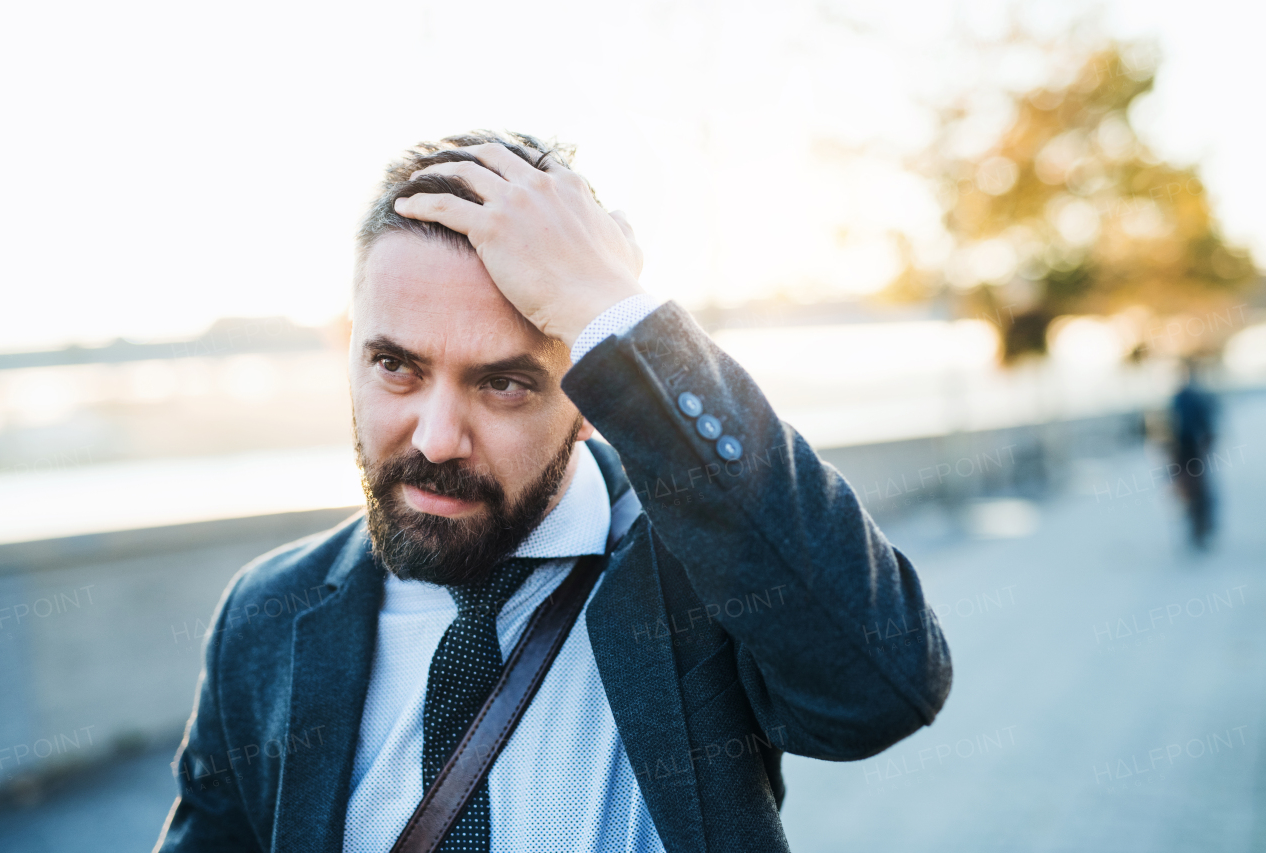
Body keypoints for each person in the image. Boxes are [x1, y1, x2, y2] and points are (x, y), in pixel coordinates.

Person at [155, 131, 952, 853]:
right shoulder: (267, 614)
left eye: (502, 383)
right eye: (395, 366)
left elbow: (881, 686)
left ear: (587, 398)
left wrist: (616, 308)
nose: (436, 437)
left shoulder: (697, 573)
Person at [1171, 361, 1218, 549]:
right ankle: (1198, 526)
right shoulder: (1181, 398)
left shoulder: (1192, 398)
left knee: (1197, 488)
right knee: (1192, 488)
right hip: (1186, 449)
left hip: (1192, 448)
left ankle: (1202, 525)